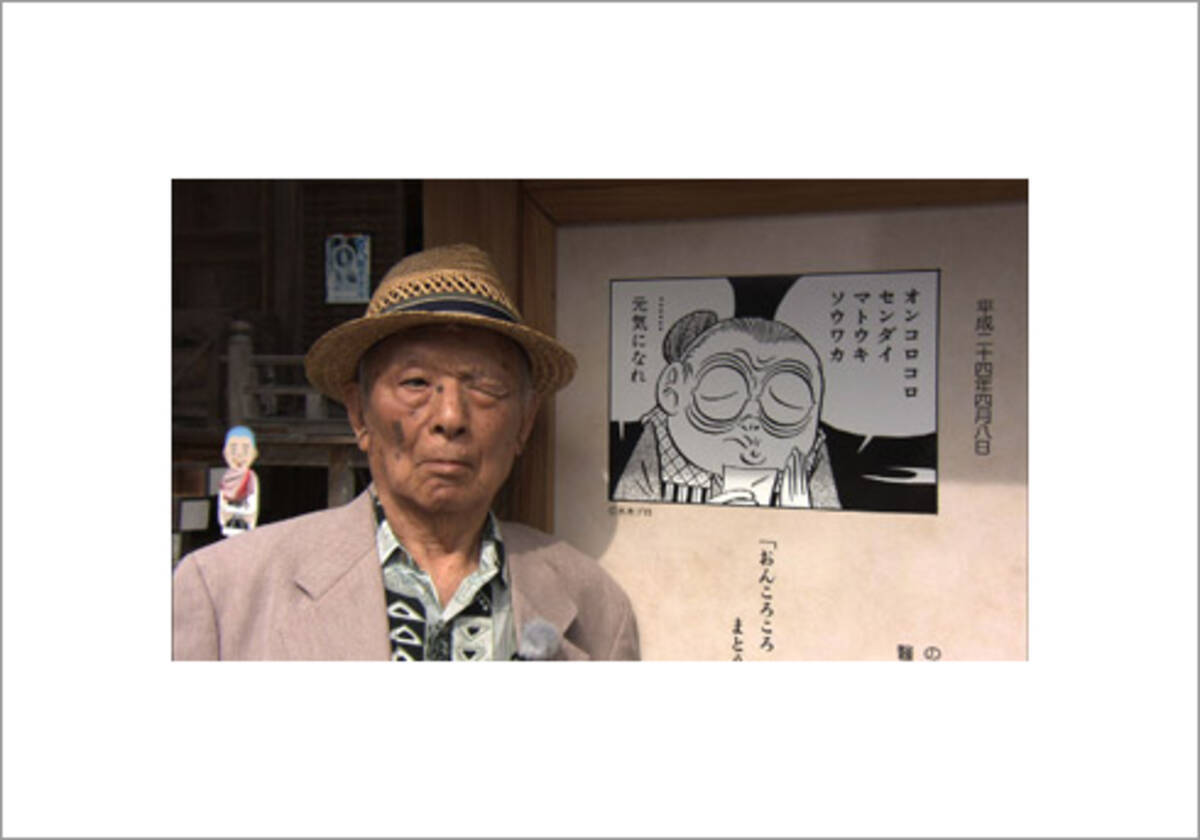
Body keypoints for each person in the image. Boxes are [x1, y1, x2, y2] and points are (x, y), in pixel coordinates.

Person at [173, 244, 639, 661]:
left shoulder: (596, 607)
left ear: (524, 422)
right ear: (359, 413)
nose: (450, 417)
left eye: (485, 387)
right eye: (416, 383)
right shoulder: (223, 593)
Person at [613, 309, 841, 508]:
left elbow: (833, 530)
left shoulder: (808, 456)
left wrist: (799, 515)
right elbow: (632, 520)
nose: (752, 420)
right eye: (723, 395)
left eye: (785, 403)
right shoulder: (659, 442)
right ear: (672, 391)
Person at [217, 425, 259, 537]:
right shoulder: (226, 477)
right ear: (225, 453)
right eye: (233, 449)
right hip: (229, 520)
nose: (239, 454)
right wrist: (226, 512)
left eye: (245, 449)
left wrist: (246, 514)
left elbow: (253, 501)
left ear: (254, 453)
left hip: (245, 520)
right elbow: (222, 501)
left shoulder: (251, 477)